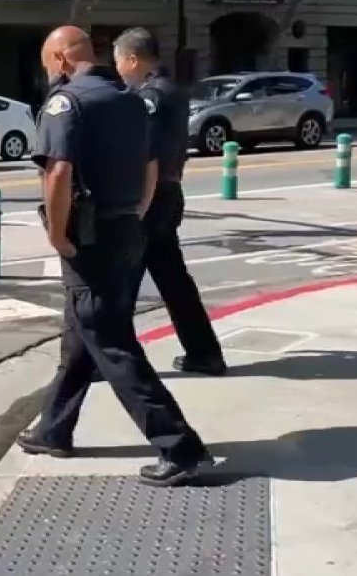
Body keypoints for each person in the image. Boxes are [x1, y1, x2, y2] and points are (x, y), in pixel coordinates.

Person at [16, 25, 212, 487]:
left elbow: (58, 172)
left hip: (90, 235)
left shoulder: (66, 103)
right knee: (83, 330)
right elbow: (151, 165)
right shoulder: (130, 99)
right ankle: (53, 428)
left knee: (109, 340)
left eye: (49, 64)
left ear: (62, 59)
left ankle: (179, 446)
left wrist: (58, 235)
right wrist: (137, 211)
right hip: (128, 227)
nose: (49, 73)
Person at [113, 27, 228, 377]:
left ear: (133, 60)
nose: (117, 70)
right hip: (169, 193)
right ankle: (204, 352)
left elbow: (142, 152)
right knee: (174, 281)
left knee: (122, 280)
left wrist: (134, 205)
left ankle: (112, 359)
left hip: (150, 196)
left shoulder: (149, 97)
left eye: (118, 62)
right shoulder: (174, 91)